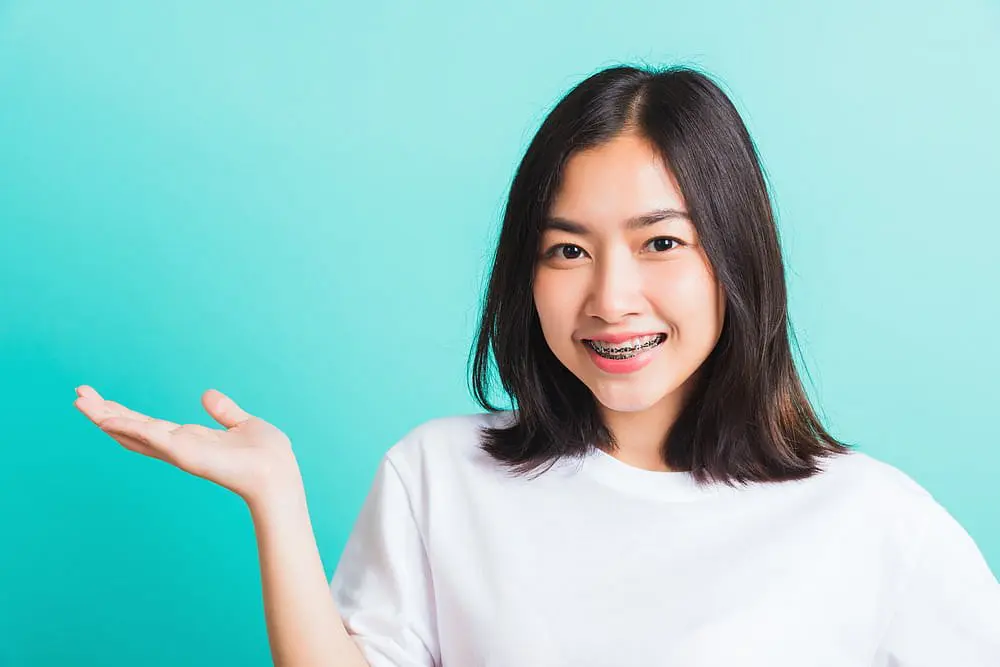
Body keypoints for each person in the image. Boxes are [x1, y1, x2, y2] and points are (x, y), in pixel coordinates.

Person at [74, 64, 1000, 666]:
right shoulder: (438, 475)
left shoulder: (869, 517)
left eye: (661, 242)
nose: (611, 297)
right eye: (567, 250)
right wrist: (276, 500)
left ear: (737, 256)